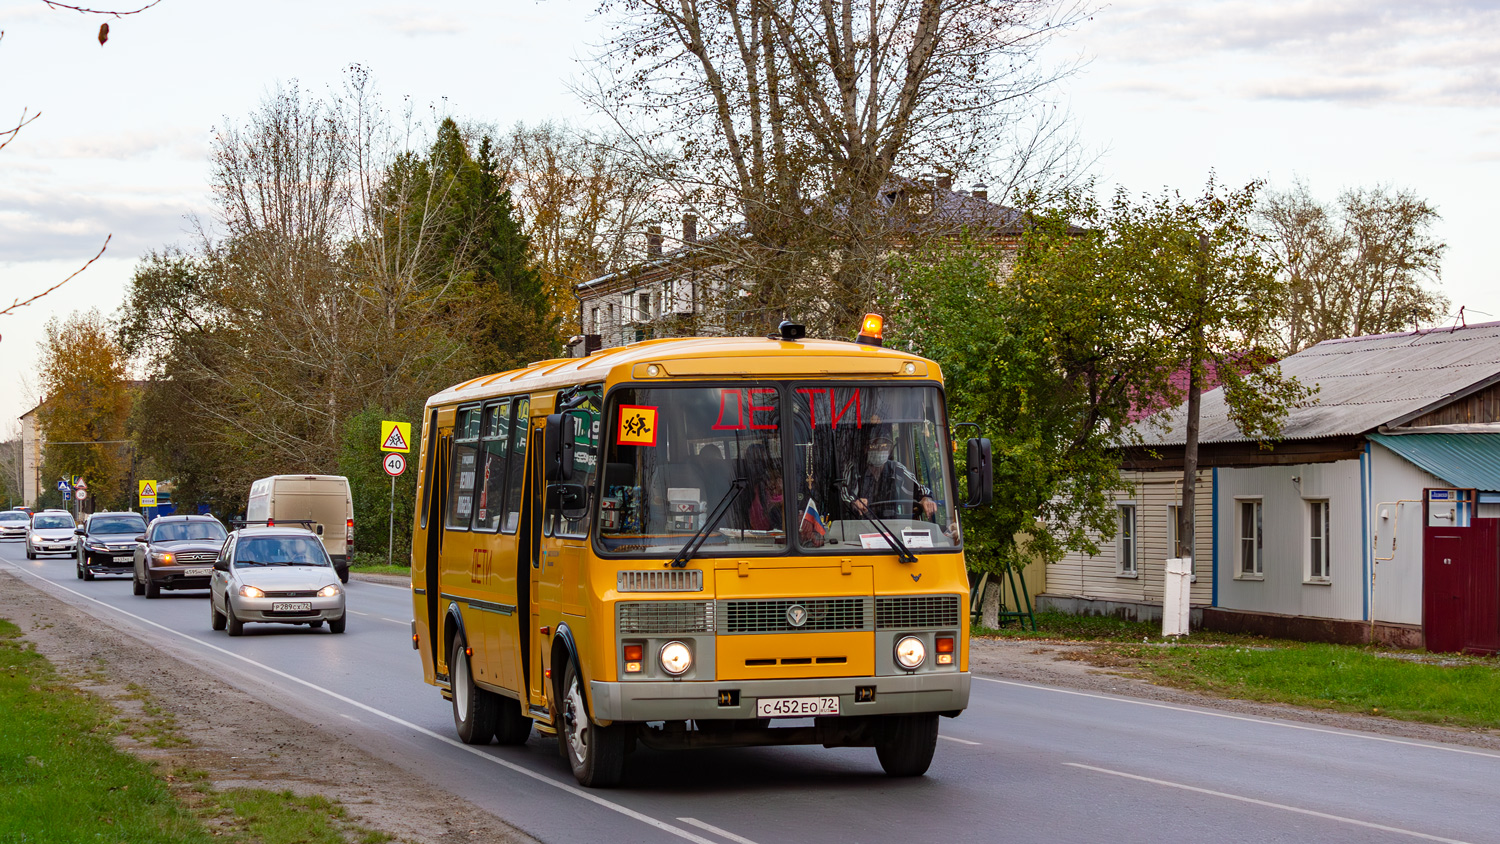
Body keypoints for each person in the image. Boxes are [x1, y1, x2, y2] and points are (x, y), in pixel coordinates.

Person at [842, 433, 937, 520]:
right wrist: (855, 503)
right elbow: (843, 495)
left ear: (889, 449)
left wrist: (926, 499)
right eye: (874, 446)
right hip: (860, 526)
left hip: (893, 528)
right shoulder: (854, 469)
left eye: (884, 446)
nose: (879, 450)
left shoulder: (896, 468)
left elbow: (921, 490)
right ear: (866, 448)